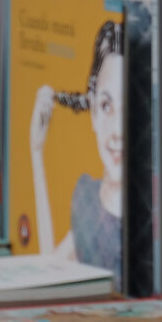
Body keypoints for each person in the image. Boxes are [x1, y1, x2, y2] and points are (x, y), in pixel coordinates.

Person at [29, 21, 124, 286]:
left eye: (129, 107)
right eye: (106, 106)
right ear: (92, 113)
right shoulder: (87, 201)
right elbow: (51, 276)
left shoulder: (156, 205)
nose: (117, 131)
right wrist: (36, 152)